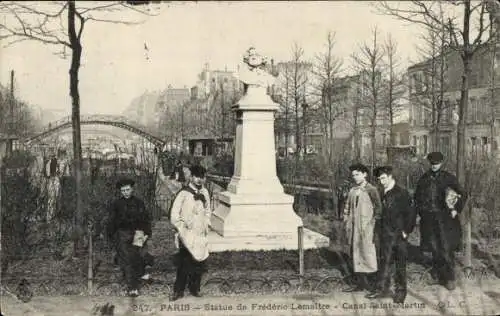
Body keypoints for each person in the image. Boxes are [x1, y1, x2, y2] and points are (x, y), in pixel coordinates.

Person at [414, 151, 467, 291]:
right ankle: (438, 276)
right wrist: (421, 213)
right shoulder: (424, 179)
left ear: (441, 163)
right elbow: (417, 197)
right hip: (428, 219)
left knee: (445, 247)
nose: (434, 166)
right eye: (432, 163)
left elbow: (463, 193)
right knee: (433, 247)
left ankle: (449, 278)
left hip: (445, 219)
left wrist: (456, 209)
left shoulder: (448, 178)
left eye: (436, 163)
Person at [366, 166, 416, 303]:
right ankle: (381, 289)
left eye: (383, 178)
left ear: (390, 177)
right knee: (384, 262)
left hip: (399, 235)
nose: (381, 181)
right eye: (379, 179)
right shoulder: (382, 193)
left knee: (400, 264)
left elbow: (411, 214)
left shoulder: (402, 193)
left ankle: (400, 292)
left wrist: (406, 231)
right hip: (385, 234)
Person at [169, 165, 211, 301]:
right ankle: (178, 290)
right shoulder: (184, 193)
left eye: (202, 177)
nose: (199, 180)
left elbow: (208, 210)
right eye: (197, 176)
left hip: (199, 233)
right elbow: (174, 214)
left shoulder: (205, 192)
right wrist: (181, 227)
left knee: (198, 262)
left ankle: (194, 288)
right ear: (191, 177)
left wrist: (206, 224)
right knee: (184, 263)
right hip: (186, 233)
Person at [107, 177, 152, 297]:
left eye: (128, 190)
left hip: (137, 233)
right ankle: (132, 288)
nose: (126, 192)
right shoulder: (116, 204)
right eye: (123, 191)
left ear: (132, 189)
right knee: (127, 261)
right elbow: (112, 221)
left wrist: (147, 233)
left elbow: (145, 219)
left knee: (138, 257)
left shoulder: (139, 203)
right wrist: (111, 235)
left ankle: (140, 275)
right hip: (123, 234)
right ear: (120, 192)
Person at [342, 163, 382, 294]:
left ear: (364, 174)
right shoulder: (353, 190)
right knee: (356, 255)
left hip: (367, 229)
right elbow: (347, 207)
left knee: (369, 255)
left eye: (357, 174)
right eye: (353, 175)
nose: (355, 177)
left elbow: (379, 209)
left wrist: (372, 225)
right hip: (354, 229)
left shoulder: (371, 190)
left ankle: (374, 287)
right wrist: (346, 219)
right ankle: (360, 284)